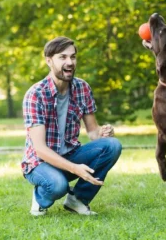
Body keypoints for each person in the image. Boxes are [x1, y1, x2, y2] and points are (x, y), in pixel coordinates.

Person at [21, 36, 122, 216]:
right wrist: (75, 169)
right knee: (58, 185)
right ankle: (40, 197)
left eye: (73, 57)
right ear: (49, 61)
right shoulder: (36, 95)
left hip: (70, 155)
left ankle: (78, 199)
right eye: (63, 57)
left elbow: (92, 132)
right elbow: (40, 149)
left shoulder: (82, 88)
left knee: (112, 145)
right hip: (40, 163)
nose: (70, 62)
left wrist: (104, 133)